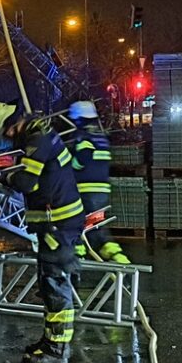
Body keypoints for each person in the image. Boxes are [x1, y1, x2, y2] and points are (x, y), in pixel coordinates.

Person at [0, 102, 84, 363]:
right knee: (48, 282)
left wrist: (2, 177)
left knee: (54, 283)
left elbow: (28, 182)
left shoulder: (37, 138)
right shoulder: (37, 133)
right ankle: (50, 340)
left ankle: (57, 348)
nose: (8, 139)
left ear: (11, 125)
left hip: (57, 222)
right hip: (55, 221)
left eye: (6, 133)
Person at [67, 100, 131, 265]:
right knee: (96, 228)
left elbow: (83, 157)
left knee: (75, 225)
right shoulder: (101, 138)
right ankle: (119, 260)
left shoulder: (82, 136)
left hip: (85, 191)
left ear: (78, 119)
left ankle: (76, 263)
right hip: (101, 192)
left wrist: (69, 168)